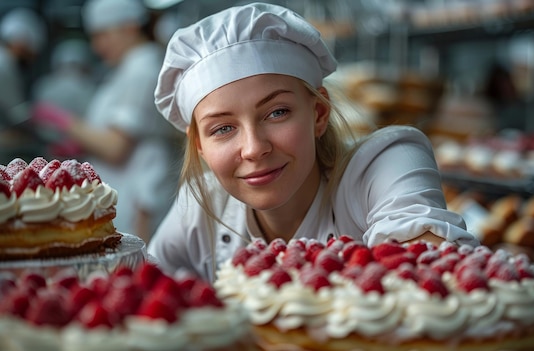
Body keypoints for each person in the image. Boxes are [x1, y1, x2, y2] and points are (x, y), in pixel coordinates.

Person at [148, 2, 477, 282]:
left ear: (319, 113)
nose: (253, 148)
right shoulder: (202, 206)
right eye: (222, 129)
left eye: (277, 112)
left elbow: (430, 277)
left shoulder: (384, 164)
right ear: (200, 145)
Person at [30, 0, 179, 244]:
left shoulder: (143, 70)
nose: (97, 47)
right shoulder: (128, 69)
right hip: (120, 196)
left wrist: (65, 122)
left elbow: (115, 148)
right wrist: (82, 146)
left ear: (130, 27)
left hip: (136, 199)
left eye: (102, 35)